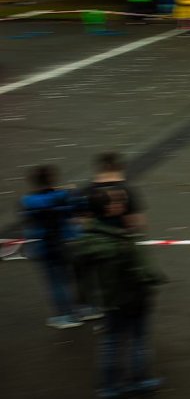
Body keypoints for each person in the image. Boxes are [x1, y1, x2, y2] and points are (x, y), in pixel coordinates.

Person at [71, 213, 167, 398]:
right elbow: (142, 270)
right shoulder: (121, 240)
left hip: (109, 300)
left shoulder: (88, 242)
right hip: (131, 298)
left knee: (111, 342)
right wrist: (152, 283)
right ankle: (139, 380)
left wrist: (86, 298)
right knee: (137, 339)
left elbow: (81, 274)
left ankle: (109, 386)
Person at [19, 165, 86, 329]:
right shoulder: (63, 195)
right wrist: (72, 192)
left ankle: (64, 315)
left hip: (44, 246)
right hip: (65, 242)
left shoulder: (28, 201)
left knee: (55, 283)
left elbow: (28, 220)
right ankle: (79, 309)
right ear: (52, 179)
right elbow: (79, 208)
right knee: (71, 278)